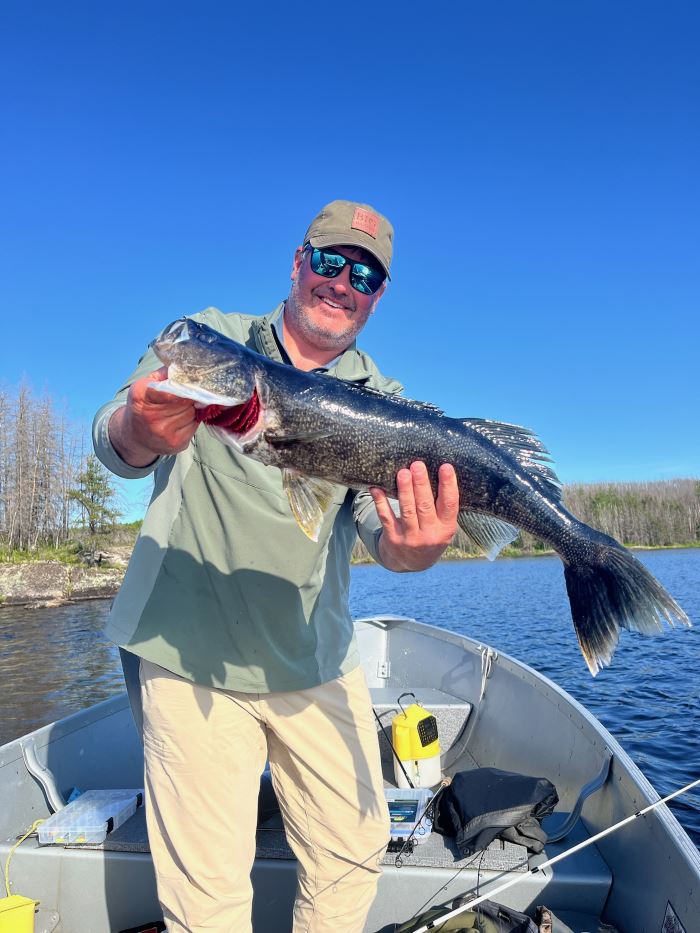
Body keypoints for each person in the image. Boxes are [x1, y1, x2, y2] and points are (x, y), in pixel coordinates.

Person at [93, 199, 459, 933]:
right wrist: (141, 425)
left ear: (377, 295)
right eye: (329, 260)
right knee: (207, 897)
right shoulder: (212, 340)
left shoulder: (381, 404)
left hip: (312, 655)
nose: (342, 281)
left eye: (364, 273)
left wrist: (411, 552)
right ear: (299, 262)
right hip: (188, 647)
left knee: (354, 849)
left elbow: (368, 526)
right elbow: (116, 441)